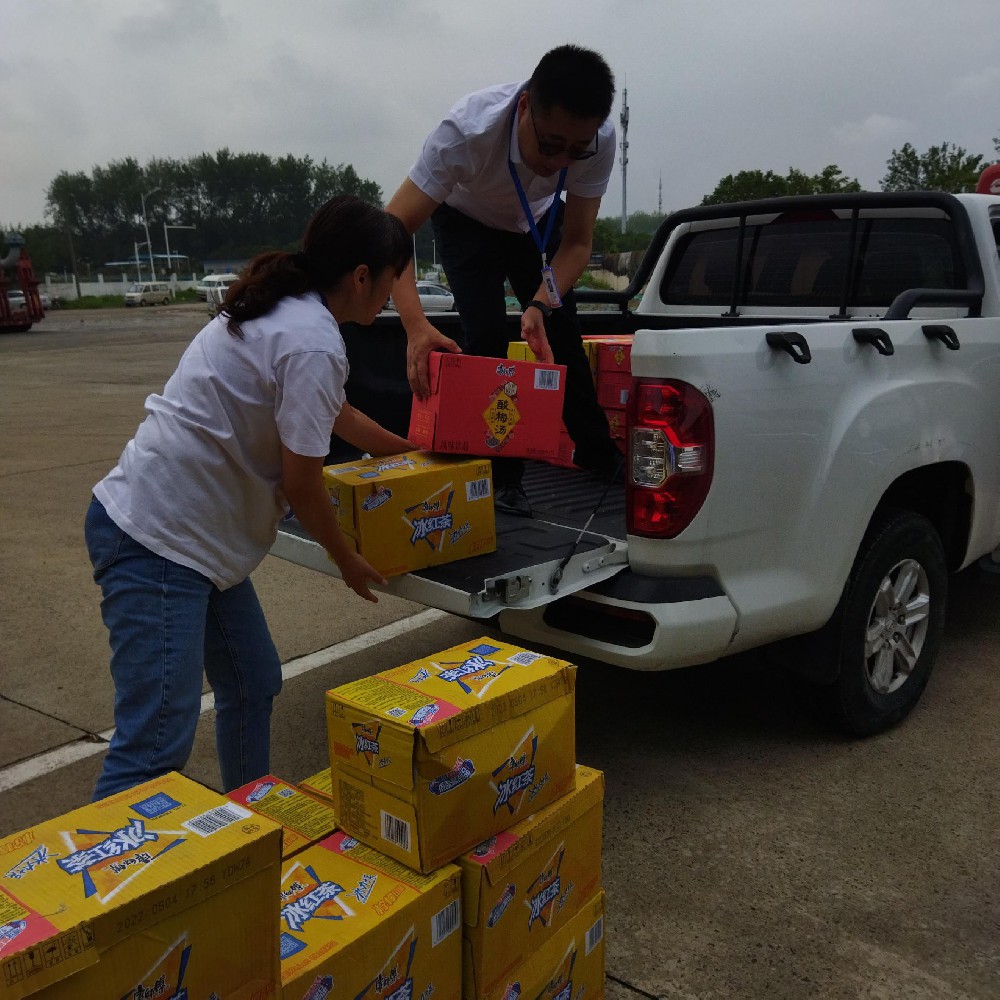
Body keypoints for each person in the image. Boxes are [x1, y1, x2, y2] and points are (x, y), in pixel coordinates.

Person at [85, 196, 414, 801]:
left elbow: (335, 413)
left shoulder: (291, 311)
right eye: (394, 279)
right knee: (152, 746)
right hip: (157, 540)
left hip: (197, 541)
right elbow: (302, 483)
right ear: (363, 276)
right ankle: (109, 863)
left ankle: (247, 820)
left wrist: (413, 451)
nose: (394, 294)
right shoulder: (312, 340)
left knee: (253, 680)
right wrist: (347, 559)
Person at [386, 44, 624, 517]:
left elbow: (577, 243)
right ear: (525, 108)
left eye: (576, 150)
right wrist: (415, 326)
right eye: (551, 144)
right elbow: (388, 232)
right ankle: (502, 478)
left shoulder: (597, 139)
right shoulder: (465, 133)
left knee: (561, 334)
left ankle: (597, 453)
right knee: (487, 336)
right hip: (466, 219)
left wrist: (539, 304)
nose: (562, 161)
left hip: (536, 222)